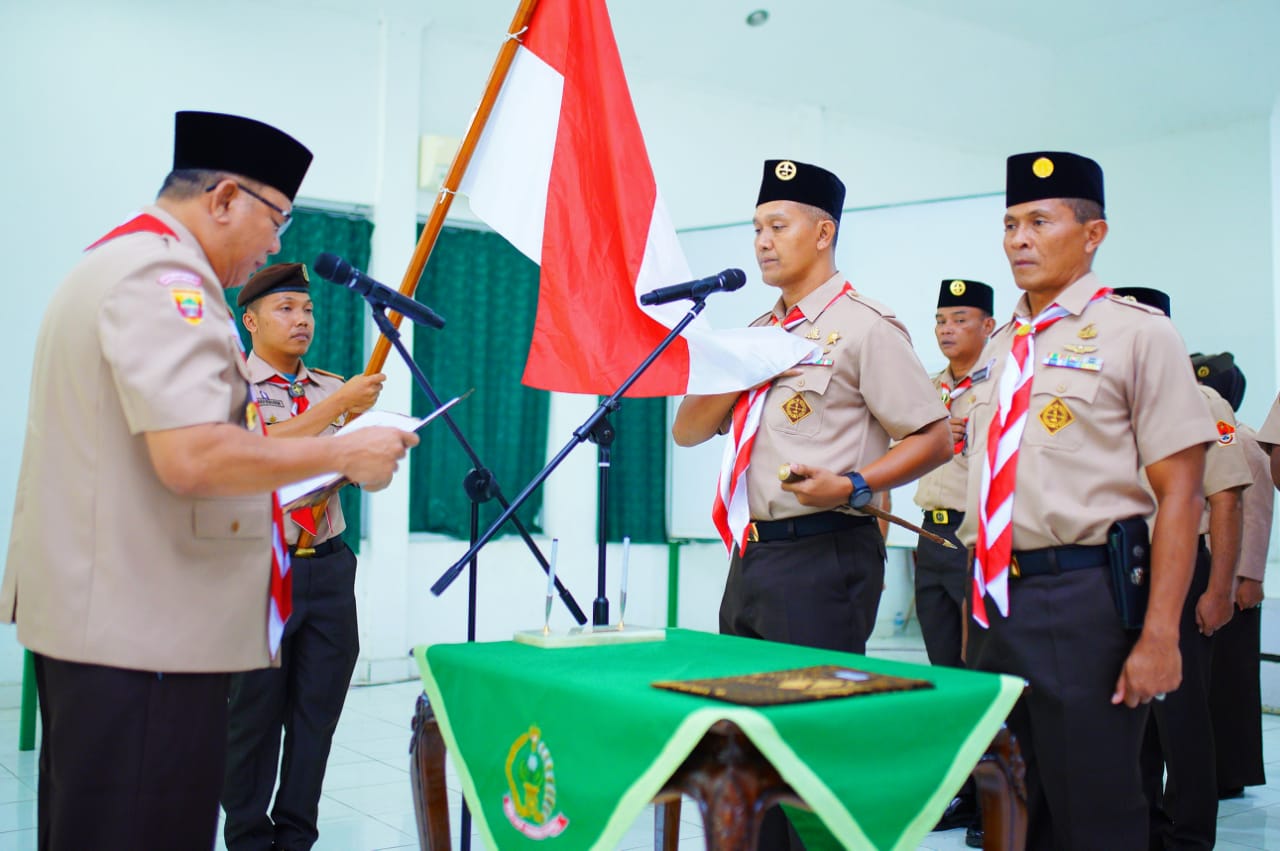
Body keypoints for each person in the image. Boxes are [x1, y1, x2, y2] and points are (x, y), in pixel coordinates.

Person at [1, 111, 417, 851]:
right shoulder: (166, 282)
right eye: (275, 219)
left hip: (109, 621)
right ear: (224, 198)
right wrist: (341, 452)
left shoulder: (112, 264)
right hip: (142, 634)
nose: (276, 244)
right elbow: (193, 456)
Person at [673, 158, 950, 848]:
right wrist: (736, 360)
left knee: (805, 748)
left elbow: (936, 436)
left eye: (778, 225)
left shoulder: (865, 327)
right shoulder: (758, 330)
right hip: (753, 553)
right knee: (747, 739)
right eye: (757, 227)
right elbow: (687, 430)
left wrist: (854, 484)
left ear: (823, 232)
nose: (763, 241)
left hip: (826, 550)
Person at [958, 151, 1214, 848]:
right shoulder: (1000, 345)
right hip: (996, 602)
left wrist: (1161, 634)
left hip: (1085, 601)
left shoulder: (1139, 334)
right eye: (1010, 223)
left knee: (1095, 814)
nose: (1019, 239)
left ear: (1093, 233)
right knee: (1009, 814)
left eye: (1040, 221)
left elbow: (1182, 492)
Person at [222, 263, 388, 851]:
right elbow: (256, 452)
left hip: (329, 564)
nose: (301, 321)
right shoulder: (230, 385)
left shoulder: (328, 385)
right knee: (252, 719)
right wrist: (337, 411)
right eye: (286, 308)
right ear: (251, 319)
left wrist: (371, 445)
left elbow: (370, 479)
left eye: (308, 309)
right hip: (260, 567)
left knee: (317, 717)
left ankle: (296, 837)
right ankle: (245, 837)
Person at [1111, 290, 1249, 850]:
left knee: (1182, 717)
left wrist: (1220, 590)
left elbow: (1227, 501)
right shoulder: (1110, 402)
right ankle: (1144, 831)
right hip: (1120, 569)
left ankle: (1189, 837)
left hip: (1184, 566)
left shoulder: (1203, 401)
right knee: (1131, 713)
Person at [912, 278, 995, 845]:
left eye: (960, 318)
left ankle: (996, 797)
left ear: (988, 326)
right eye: (941, 318)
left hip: (973, 540)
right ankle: (964, 791)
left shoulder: (1000, 384)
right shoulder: (929, 387)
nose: (946, 328)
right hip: (929, 535)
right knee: (945, 673)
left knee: (981, 671)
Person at [1196, 353, 1271, 799]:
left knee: (1233, 680)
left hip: (1234, 579)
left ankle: (1234, 769)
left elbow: (1256, 516)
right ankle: (1217, 767)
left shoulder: (1242, 440)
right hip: (1208, 574)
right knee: (1212, 682)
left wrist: (1248, 577)